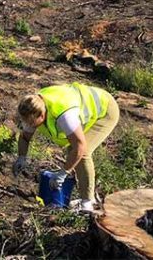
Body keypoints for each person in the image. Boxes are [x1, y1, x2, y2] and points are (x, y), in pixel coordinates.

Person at [13, 83, 120, 212]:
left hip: (105, 110)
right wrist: (21, 157)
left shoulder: (65, 116)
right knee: (73, 152)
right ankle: (83, 193)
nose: (29, 126)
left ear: (41, 116)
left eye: (31, 123)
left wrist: (62, 174)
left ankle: (87, 203)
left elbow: (80, 147)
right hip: (80, 107)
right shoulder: (33, 108)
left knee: (83, 153)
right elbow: (25, 137)